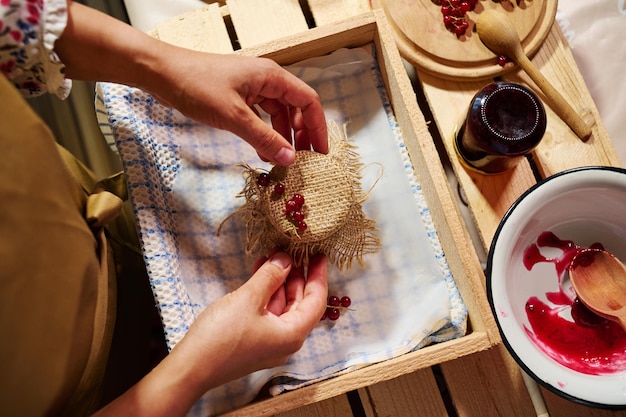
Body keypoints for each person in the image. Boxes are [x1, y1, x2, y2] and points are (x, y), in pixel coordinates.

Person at [0, 1, 329, 416]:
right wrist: (192, 372)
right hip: (103, 391)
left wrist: (165, 67)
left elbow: (12, 20)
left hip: (93, 221)